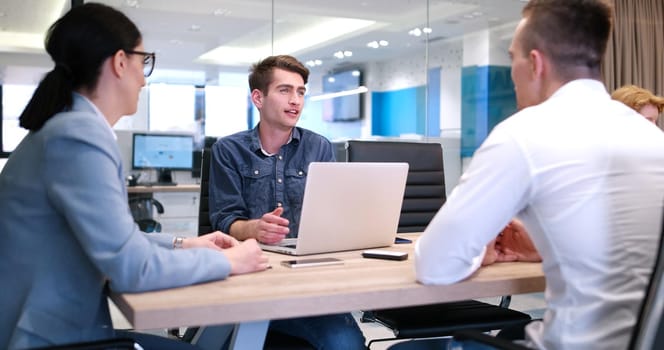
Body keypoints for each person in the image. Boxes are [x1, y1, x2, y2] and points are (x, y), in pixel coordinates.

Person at [0, 3, 268, 349]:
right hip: (52, 338)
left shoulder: (66, 128)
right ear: (120, 62)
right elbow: (132, 268)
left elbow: (117, 240)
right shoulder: (78, 136)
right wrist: (225, 260)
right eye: (144, 62)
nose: (143, 78)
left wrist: (183, 244)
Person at [415, 0, 664, 349]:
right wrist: (543, 249)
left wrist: (478, 255)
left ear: (535, 64)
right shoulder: (653, 138)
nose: (511, 72)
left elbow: (435, 266)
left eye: (512, 56)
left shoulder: (523, 134)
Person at [208, 55, 366, 348]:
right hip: (253, 278)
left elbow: (332, 213)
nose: (295, 100)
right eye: (284, 90)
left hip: (309, 277)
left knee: (346, 343)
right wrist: (255, 229)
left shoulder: (318, 146)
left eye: (301, 91)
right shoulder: (228, 150)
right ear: (258, 97)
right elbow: (224, 220)